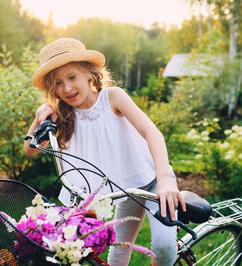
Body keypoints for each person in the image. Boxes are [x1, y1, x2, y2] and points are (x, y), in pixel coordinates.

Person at [24, 38, 186, 266]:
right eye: (58, 84)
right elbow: (29, 149)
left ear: (89, 74)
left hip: (151, 182)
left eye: (72, 77)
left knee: (163, 246)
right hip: (123, 190)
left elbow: (151, 132)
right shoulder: (62, 115)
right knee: (118, 253)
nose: (67, 88)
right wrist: (40, 115)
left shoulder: (112, 98)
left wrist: (165, 179)